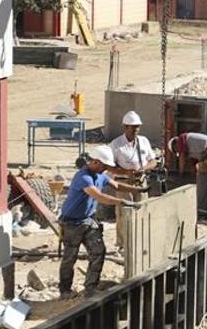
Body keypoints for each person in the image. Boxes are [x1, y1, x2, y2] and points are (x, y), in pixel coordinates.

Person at [58, 146, 143, 298]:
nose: (105, 169)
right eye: (104, 166)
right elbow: (99, 196)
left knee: (98, 251)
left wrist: (137, 190)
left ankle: (90, 288)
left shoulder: (100, 175)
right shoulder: (83, 177)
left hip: (88, 220)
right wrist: (122, 202)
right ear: (95, 162)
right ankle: (65, 290)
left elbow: (116, 185)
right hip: (71, 224)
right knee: (70, 257)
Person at [108, 111, 156, 249]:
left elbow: (152, 161)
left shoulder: (144, 141)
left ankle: (140, 242)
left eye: (137, 127)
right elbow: (109, 166)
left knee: (142, 211)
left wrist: (144, 169)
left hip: (140, 182)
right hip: (123, 183)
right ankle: (123, 244)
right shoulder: (116, 144)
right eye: (132, 127)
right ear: (125, 127)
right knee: (124, 213)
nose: (135, 130)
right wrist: (125, 172)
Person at [167, 132, 207, 213]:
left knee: (202, 182)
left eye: (176, 150)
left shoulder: (181, 139)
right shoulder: (191, 144)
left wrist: (180, 174)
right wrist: (193, 174)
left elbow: (182, 158)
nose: (178, 151)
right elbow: (194, 165)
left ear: (174, 145)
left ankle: (202, 210)